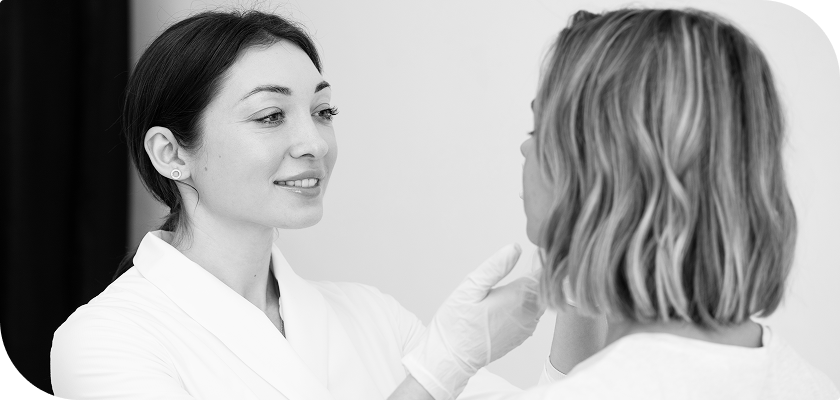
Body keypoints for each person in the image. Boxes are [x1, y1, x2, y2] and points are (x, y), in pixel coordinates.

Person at [49, 10, 554, 400]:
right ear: (172, 153)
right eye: (270, 115)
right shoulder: (104, 341)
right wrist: (440, 369)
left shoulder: (372, 316)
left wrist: (583, 289)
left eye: (323, 111)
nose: (314, 141)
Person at [421, 7, 838, 400]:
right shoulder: (809, 385)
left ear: (599, 166)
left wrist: (436, 369)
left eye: (539, 127)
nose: (524, 149)